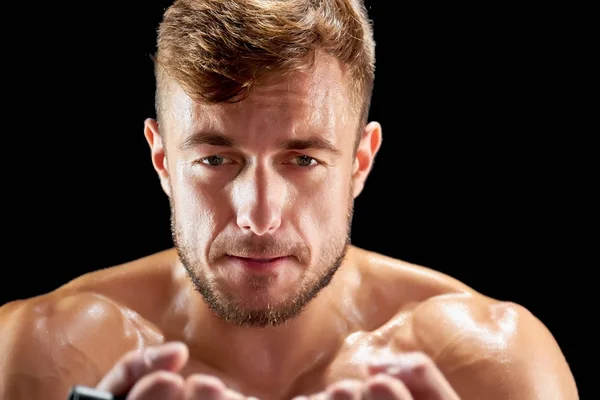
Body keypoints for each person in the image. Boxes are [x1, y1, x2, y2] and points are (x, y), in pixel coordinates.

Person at [0, 0, 578, 399]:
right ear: (162, 161)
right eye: (214, 159)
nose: (257, 214)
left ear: (359, 161)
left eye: (302, 160)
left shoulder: (493, 364)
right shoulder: (49, 351)